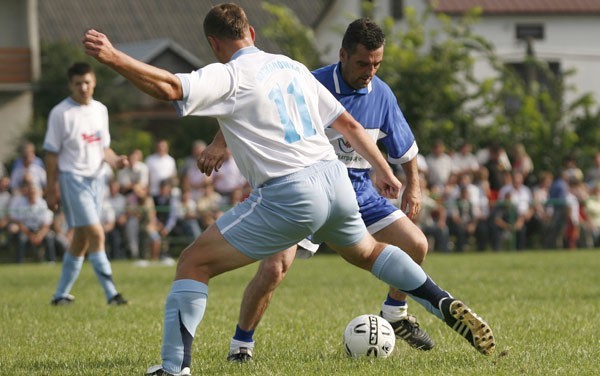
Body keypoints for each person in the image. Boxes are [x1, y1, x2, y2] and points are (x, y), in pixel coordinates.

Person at [83, 5, 495, 375]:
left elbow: (171, 88)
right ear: (253, 34)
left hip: (291, 192)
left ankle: (174, 369)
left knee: (193, 263)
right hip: (335, 182)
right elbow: (349, 125)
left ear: (213, 43)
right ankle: (437, 299)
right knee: (368, 252)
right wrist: (384, 169)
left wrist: (114, 57)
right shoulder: (291, 66)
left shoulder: (228, 75)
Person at [202, 17, 435, 361]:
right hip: (307, 191)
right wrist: (220, 143)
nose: (370, 71)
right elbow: (256, 105)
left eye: (377, 63)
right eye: (362, 63)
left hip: (359, 195)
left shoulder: (382, 94)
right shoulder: (308, 80)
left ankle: (395, 315)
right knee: (274, 269)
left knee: (416, 244)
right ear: (342, 55)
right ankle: (241, 346)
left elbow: (407, 150)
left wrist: (413, 186)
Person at [44, 62, 128, 306]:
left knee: (81, 239)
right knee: (96, 232)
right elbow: (51, 154)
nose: (83, 87)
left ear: (94, 83)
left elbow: (104, 149)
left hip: (97, 180)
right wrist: (51, 189)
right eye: (78, 83)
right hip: (72, 179)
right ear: (70, 84)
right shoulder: (60, 113)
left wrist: (117, 161)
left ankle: (60, 295)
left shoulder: (100, 110)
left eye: (87, 82)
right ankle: (112, 293)